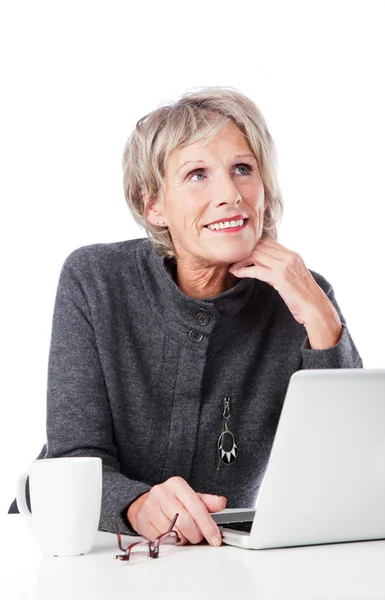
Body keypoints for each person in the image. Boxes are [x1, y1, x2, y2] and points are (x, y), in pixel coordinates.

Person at [29, 87, 363, 547]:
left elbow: (345, 470)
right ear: (153, 205)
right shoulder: (95, 279)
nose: (230, 195)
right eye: (197, 174)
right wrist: (137, 503)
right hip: (84, 545)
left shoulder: (302, 298)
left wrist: (322, 320)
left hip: (218, 560)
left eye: (243, 169)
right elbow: (72, 456)